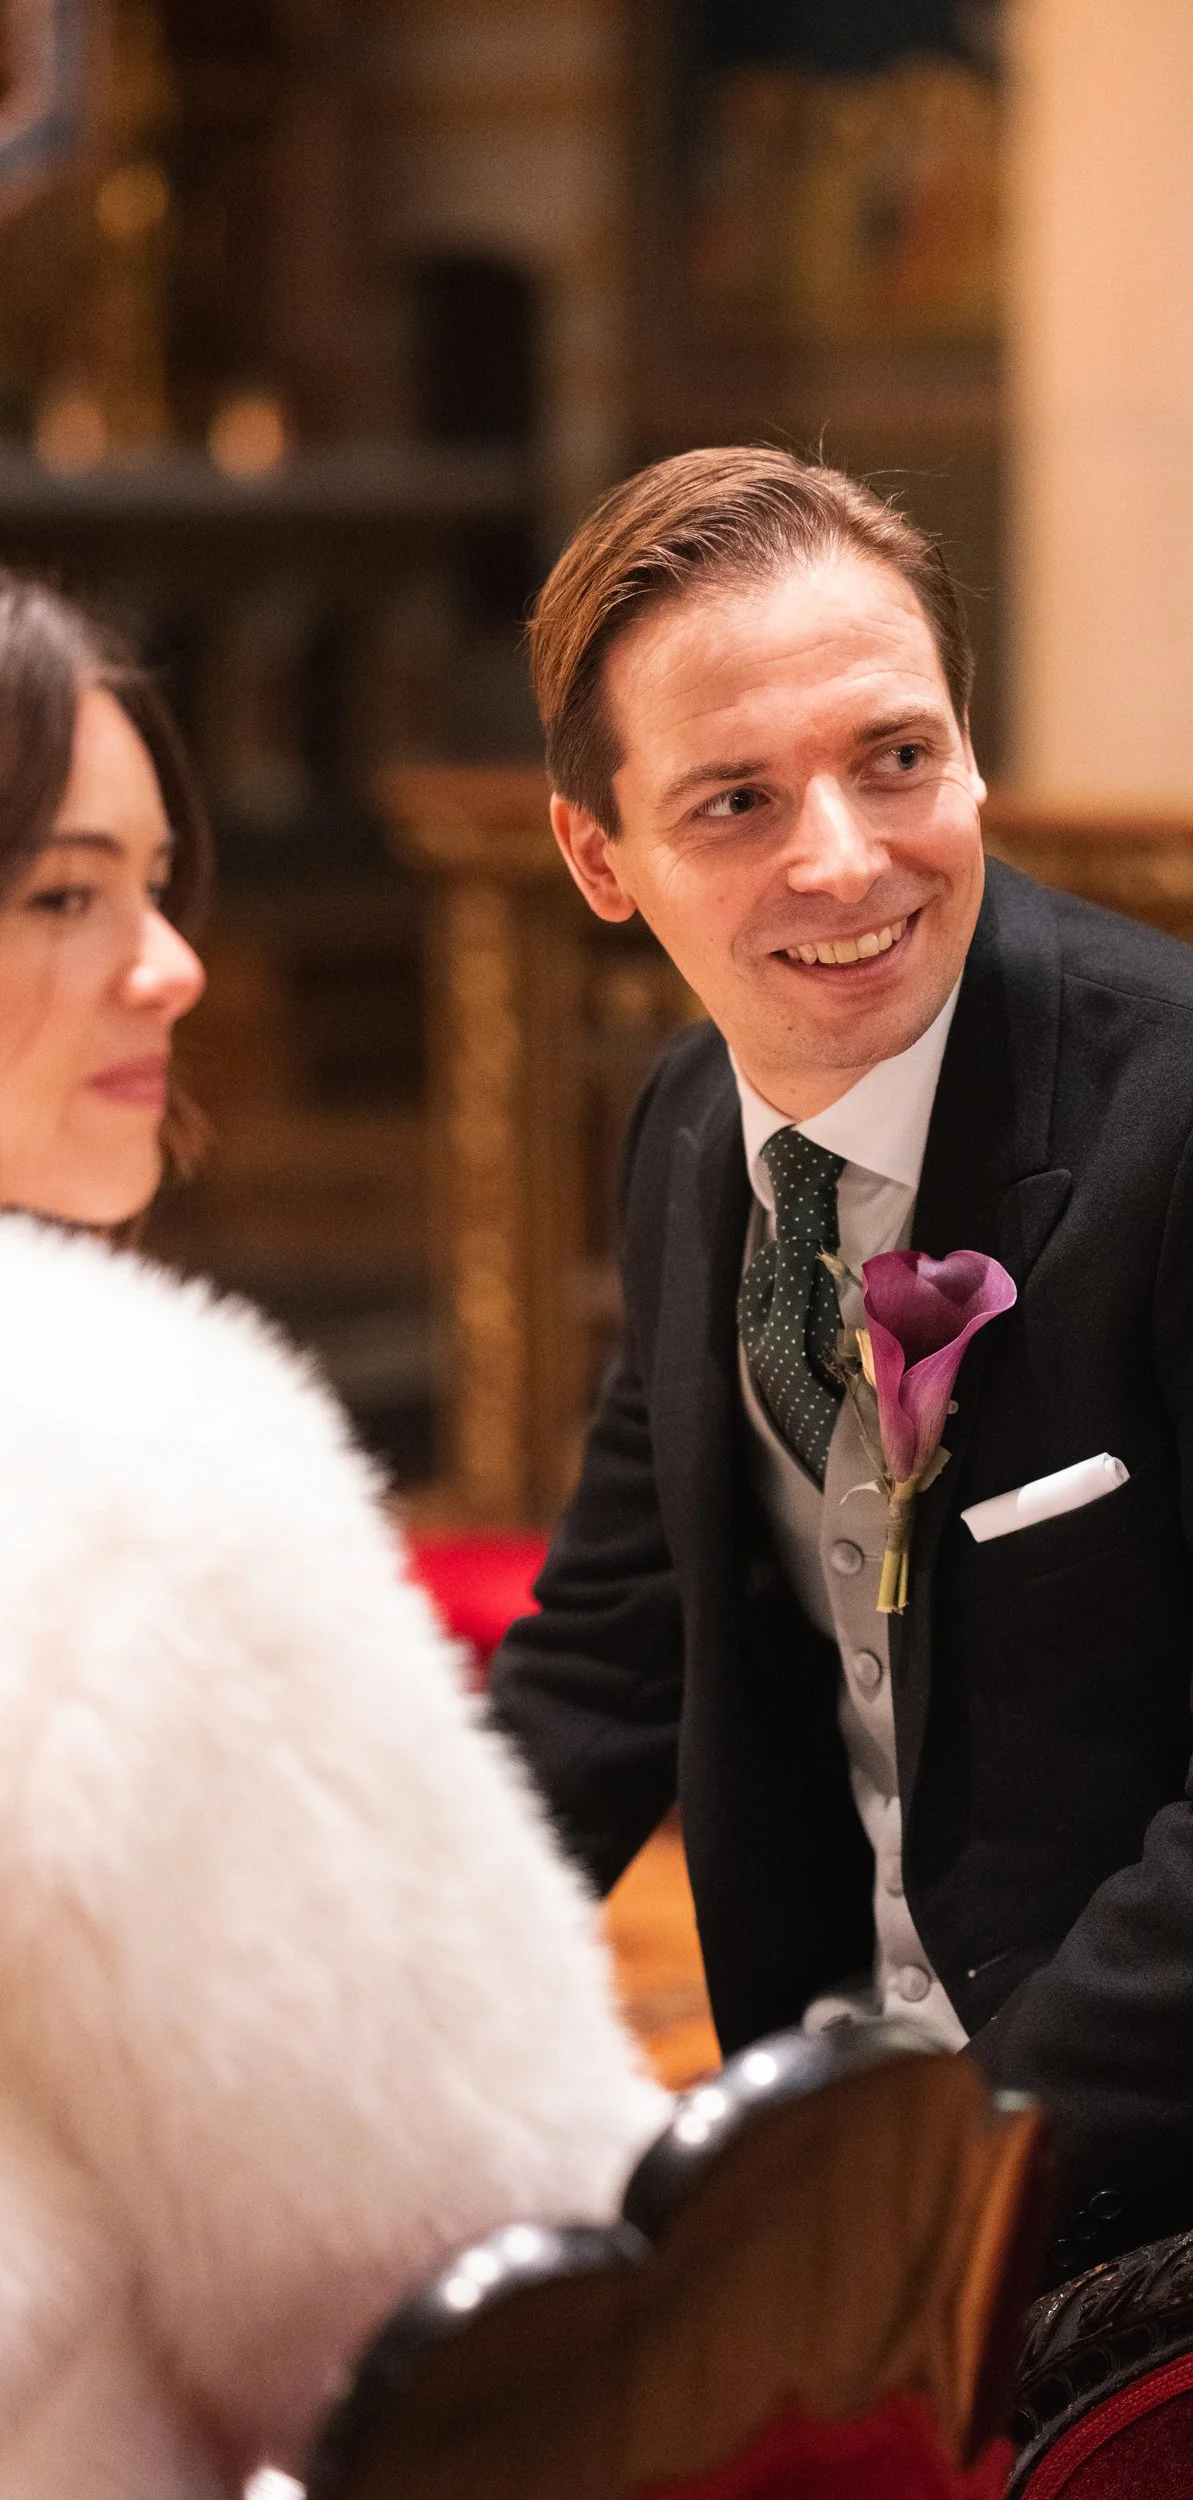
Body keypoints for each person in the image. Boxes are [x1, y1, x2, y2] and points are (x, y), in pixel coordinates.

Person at [490, 446, 1193, 2273]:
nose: (843, 857)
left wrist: (920, 2196)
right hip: (868, 2168)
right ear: (596, 857)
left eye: (894, 757)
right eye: (732, 801)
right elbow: (611, 1662)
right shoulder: (692, 1137)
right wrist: (310, 2011)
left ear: (968, 747)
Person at [0, 575, 666, 2499]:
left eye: (154, 881)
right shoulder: (120, 1457)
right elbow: (479, 2282)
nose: (172, 963)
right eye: (63, 896)